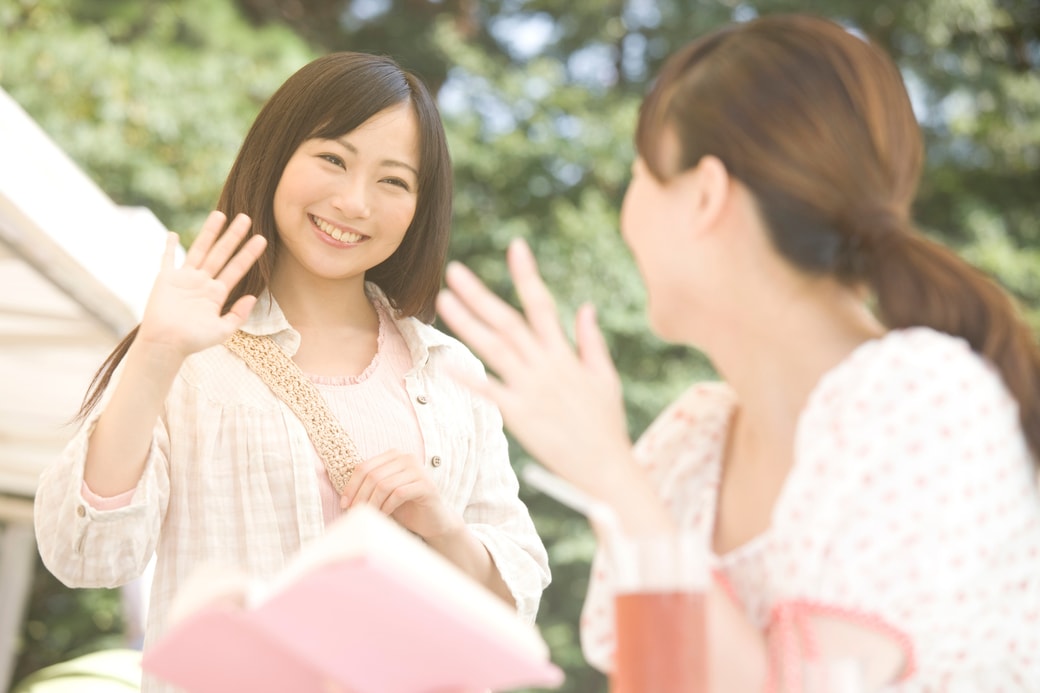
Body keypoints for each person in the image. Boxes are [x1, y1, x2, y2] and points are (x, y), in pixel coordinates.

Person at [435, 13, 1040, 692]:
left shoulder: (923, 401)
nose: (624, 212)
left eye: (639, 173)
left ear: (706, 195)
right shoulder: (688, 451)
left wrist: (610, 475)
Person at [33, 51, 550, 692]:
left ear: (421, 206)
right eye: (332, 158)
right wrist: (156, 354)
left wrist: (441, 526)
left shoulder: (450, 372)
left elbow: (514, 606)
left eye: (393, 181)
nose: (354, 202)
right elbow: (87, 557)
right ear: (276, 154)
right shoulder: (189, 353)